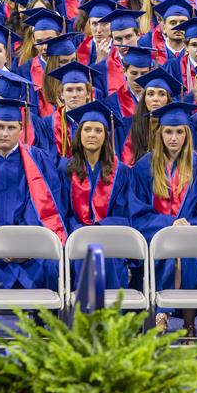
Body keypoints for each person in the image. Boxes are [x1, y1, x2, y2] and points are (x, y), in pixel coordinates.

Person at [0, 97, 67, 292]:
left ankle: (44, 322)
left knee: (49, 262)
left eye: (11, 128)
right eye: (0, 127)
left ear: (21, 129)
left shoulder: (39, 160)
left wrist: (23, 243)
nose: (5, 133)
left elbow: (47, 205)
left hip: (31, 239)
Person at [129, 101, 197, 335]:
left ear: (187, 133)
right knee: (167, 252)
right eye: (168, 132)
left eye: (179, 132)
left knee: (187, 254)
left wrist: (188, 226)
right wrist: (168, 224)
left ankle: (177, 319)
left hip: (192, 236)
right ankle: (178, 321)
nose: (173, 138)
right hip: (155, 236)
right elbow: (137, 213)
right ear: (159, 133)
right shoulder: (144, 166)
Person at [58, 100, 132, 288]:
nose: (92, 135)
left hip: (111, 236)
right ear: (79, 133)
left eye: (98, 130)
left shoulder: (121, 171)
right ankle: (84, 315)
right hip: (76, 236)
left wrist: (100, 227)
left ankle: (111, 315)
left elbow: (125, 212)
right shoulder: (65, 168)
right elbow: (61, 211)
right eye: (87, 129)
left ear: (106, 136)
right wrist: (78, 230)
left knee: (105, 254)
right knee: (85, 250)